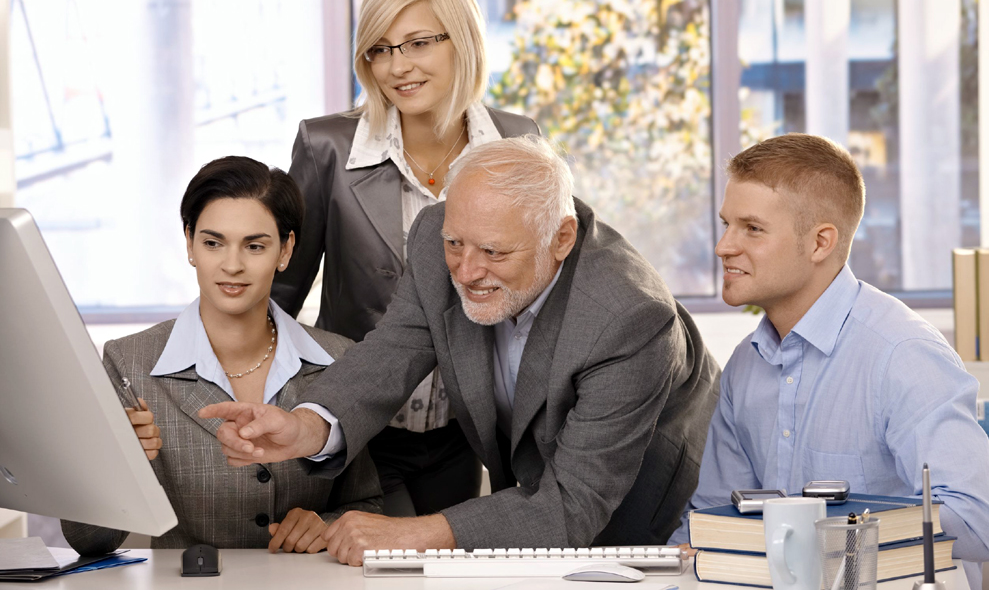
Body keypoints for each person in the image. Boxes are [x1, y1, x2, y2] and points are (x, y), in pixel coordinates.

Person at [201, 135, 721, 565]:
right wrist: (307, 426)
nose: (467, 272)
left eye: (494, 252)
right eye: (457, 244)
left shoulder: (629, 317)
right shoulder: (435, 235)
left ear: (561, 238)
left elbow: (572, 507)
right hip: (536, 497)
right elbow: (395, 347)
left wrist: (410, 534)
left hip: (645, 508)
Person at [270, 0, 539, 519]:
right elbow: (278, 298)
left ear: (460, 40)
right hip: (358, 427)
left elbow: (541, 293)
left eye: (418, 43)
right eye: (381, 48)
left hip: (464, 432)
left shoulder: (519, 141)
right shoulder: (327, 148)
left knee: (449, 572)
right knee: (372, 569)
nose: (398, 66)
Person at [666, 133, 989, 588]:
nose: (723, 246)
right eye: (726, 225)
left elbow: (978, 517)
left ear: (820, 243)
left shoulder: (902, 354)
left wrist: (839, 531)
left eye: (752, 229)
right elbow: (712, 522)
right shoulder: (745, 364)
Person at [61, 156, 382, 555]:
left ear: (286, 250)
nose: (232, 265)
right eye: (213, 243)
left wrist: (327, 526)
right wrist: (116, 467)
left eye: (254, 246)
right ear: (190, 244)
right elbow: (87, 541)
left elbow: (367, 503)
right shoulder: (129, 363)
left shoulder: (337, 358)